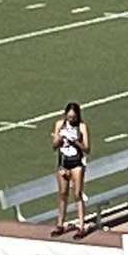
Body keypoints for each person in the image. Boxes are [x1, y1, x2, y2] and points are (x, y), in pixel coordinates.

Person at [51, 101, 90, 239]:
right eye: (69, 117)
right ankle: (60, 224)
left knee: (78, 194)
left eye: (73, 117)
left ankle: (81, 225)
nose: (71, 120)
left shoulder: (82, 127)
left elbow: (87, 149)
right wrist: (60, 138)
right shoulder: (59, 125)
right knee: (63, 194)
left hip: (77, 163)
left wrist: (75, 141)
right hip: (63, 163)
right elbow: (54, 146)